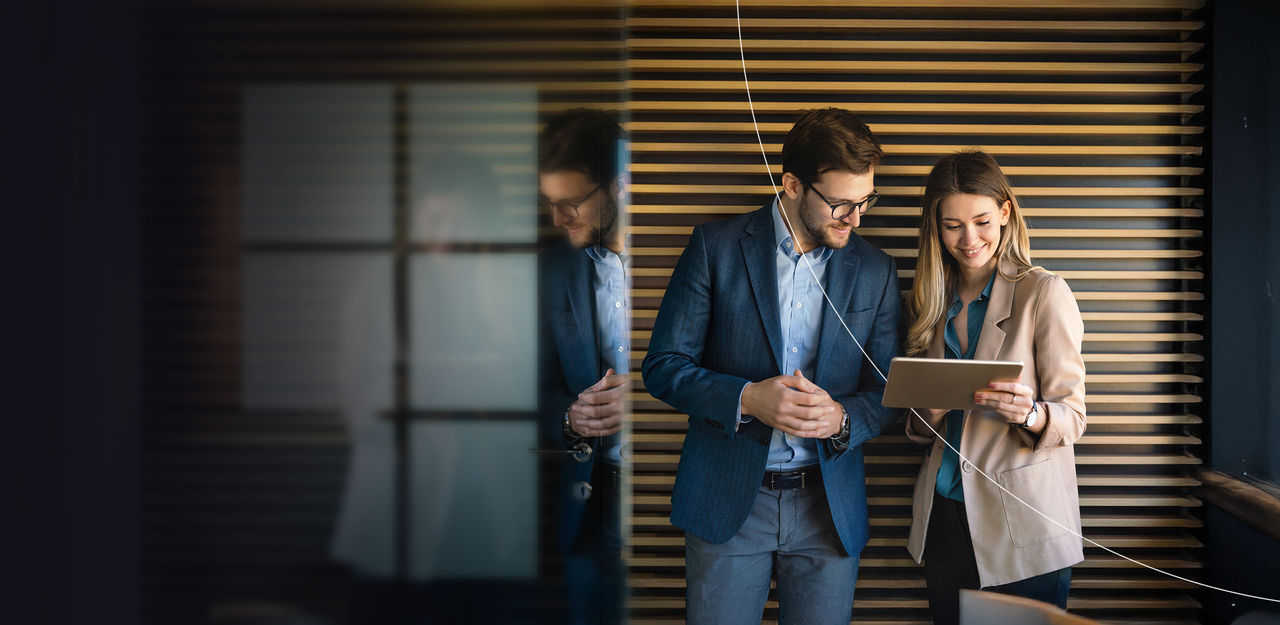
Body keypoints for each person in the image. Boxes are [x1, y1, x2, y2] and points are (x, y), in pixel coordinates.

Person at [641, 108, 902, 625]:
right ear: (791, 185)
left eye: (865, 200)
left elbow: (887, 391)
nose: (855, 219)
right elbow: (663, 366)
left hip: (829, 510)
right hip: (728, 502)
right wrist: (747, 398)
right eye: (840, 204)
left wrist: (843, 420)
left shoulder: (876, 269)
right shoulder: (715, 248)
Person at [902, 150, 1087, 624]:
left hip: (1022, 523)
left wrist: (1030, 414)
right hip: (945, 515)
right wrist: (931, 413)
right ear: (935, 227)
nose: (969, 239)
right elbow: (919, 427)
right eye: (952, 226)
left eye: (982, 221)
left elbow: (1074, 416)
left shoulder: (1044, 292)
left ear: (1005, 213)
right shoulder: (929, 299)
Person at [536, 107, 629, 625]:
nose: (557, 220)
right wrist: (569, 417)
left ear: (619, 186)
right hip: (583, 502)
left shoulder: (688, 257)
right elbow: (527, 388)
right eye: (550, 204)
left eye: (569, 204)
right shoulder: (549, 269)